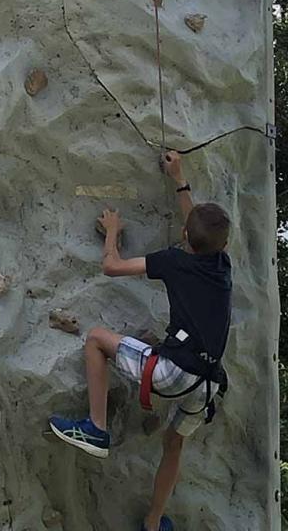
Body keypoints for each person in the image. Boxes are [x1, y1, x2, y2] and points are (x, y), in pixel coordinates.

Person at [49, 151, 232, 531]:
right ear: (223, 244)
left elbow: (111, 267)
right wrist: (179, 179)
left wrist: (112, 230)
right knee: (174, 444)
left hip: (172, 372)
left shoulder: (173, 260)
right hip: (207, 385)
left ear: (184, 237)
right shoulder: (220, 264)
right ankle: (152, 524)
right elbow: (197, 226)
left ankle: (96, 427)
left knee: (97, 339)